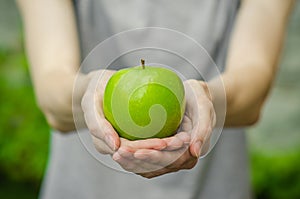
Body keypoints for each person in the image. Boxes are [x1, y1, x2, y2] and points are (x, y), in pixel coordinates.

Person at [17, 0, 295, 198]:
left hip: (215, 187)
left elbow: (254, 86)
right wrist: (87, 91)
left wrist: (209, 99)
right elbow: (52, 89)